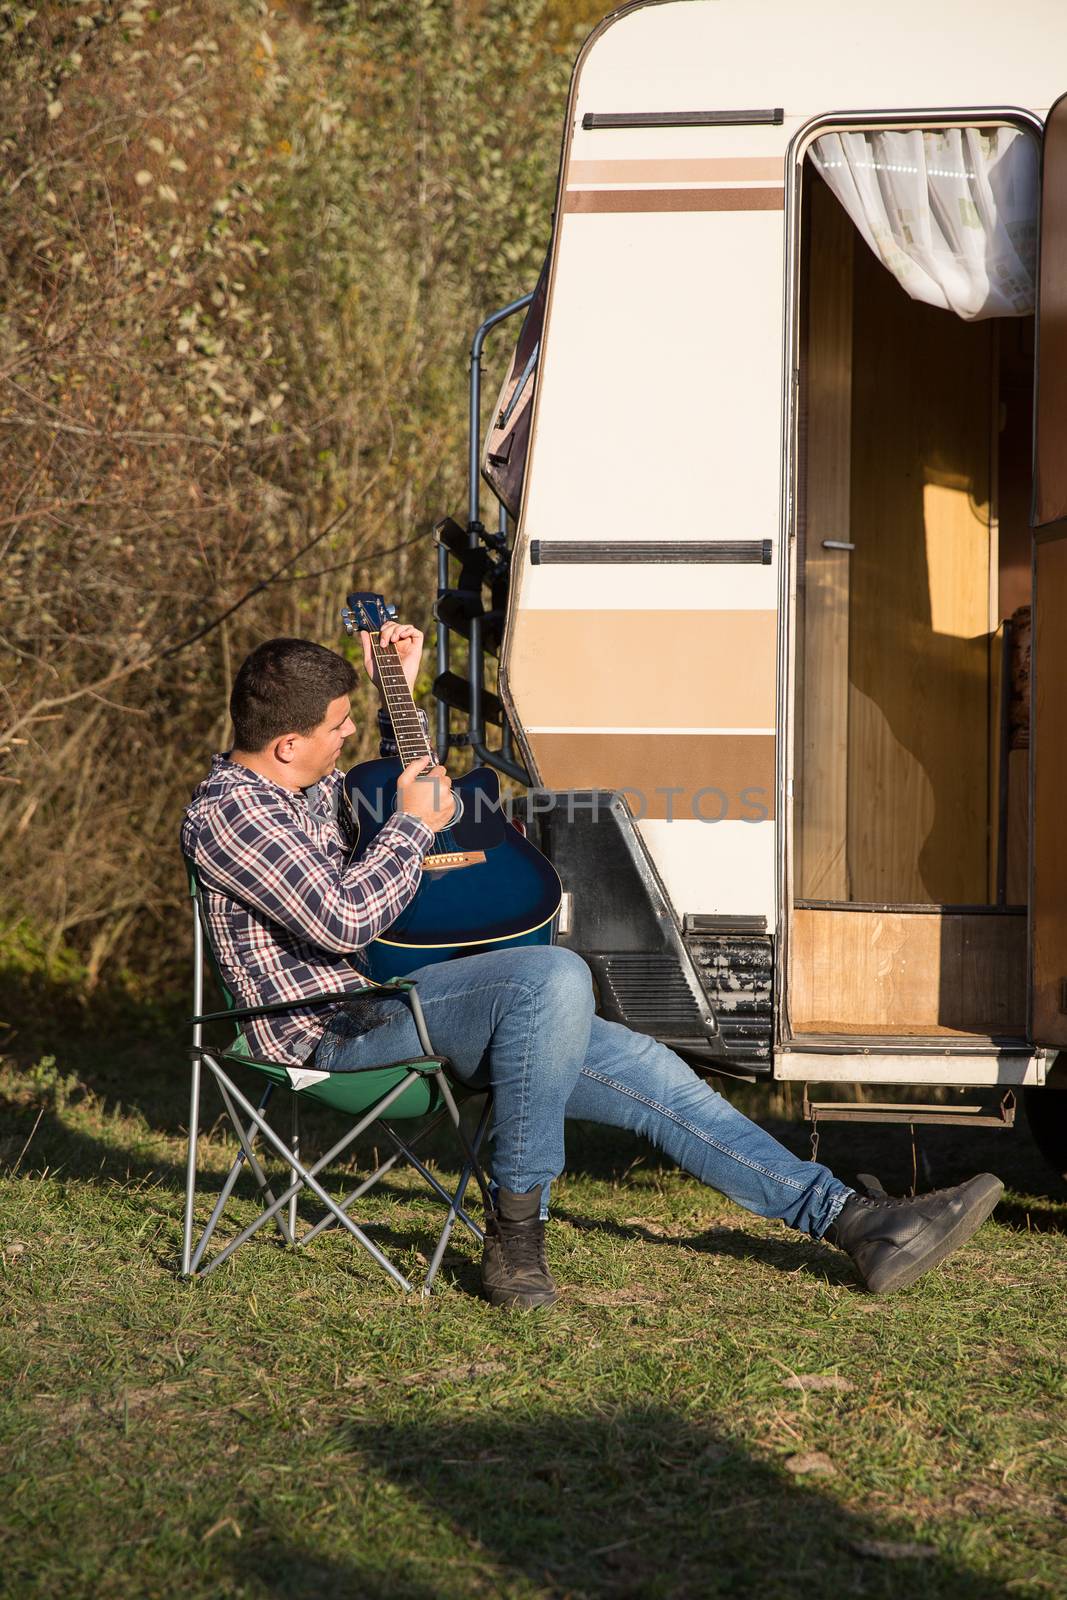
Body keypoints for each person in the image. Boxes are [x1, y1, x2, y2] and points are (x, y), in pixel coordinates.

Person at [181, 627, 1004, 1309]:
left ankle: (854, 1223)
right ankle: (515, 1232)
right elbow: (345, 916)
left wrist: (398, 690)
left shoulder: (298, 788)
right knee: (551, 978)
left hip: (395, 1007)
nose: (346, 736)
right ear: (288, 743)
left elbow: (387, 804)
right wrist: (403, 828)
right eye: (336, 727)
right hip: (331, 1036)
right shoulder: (229, 816)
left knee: (645, 1064)